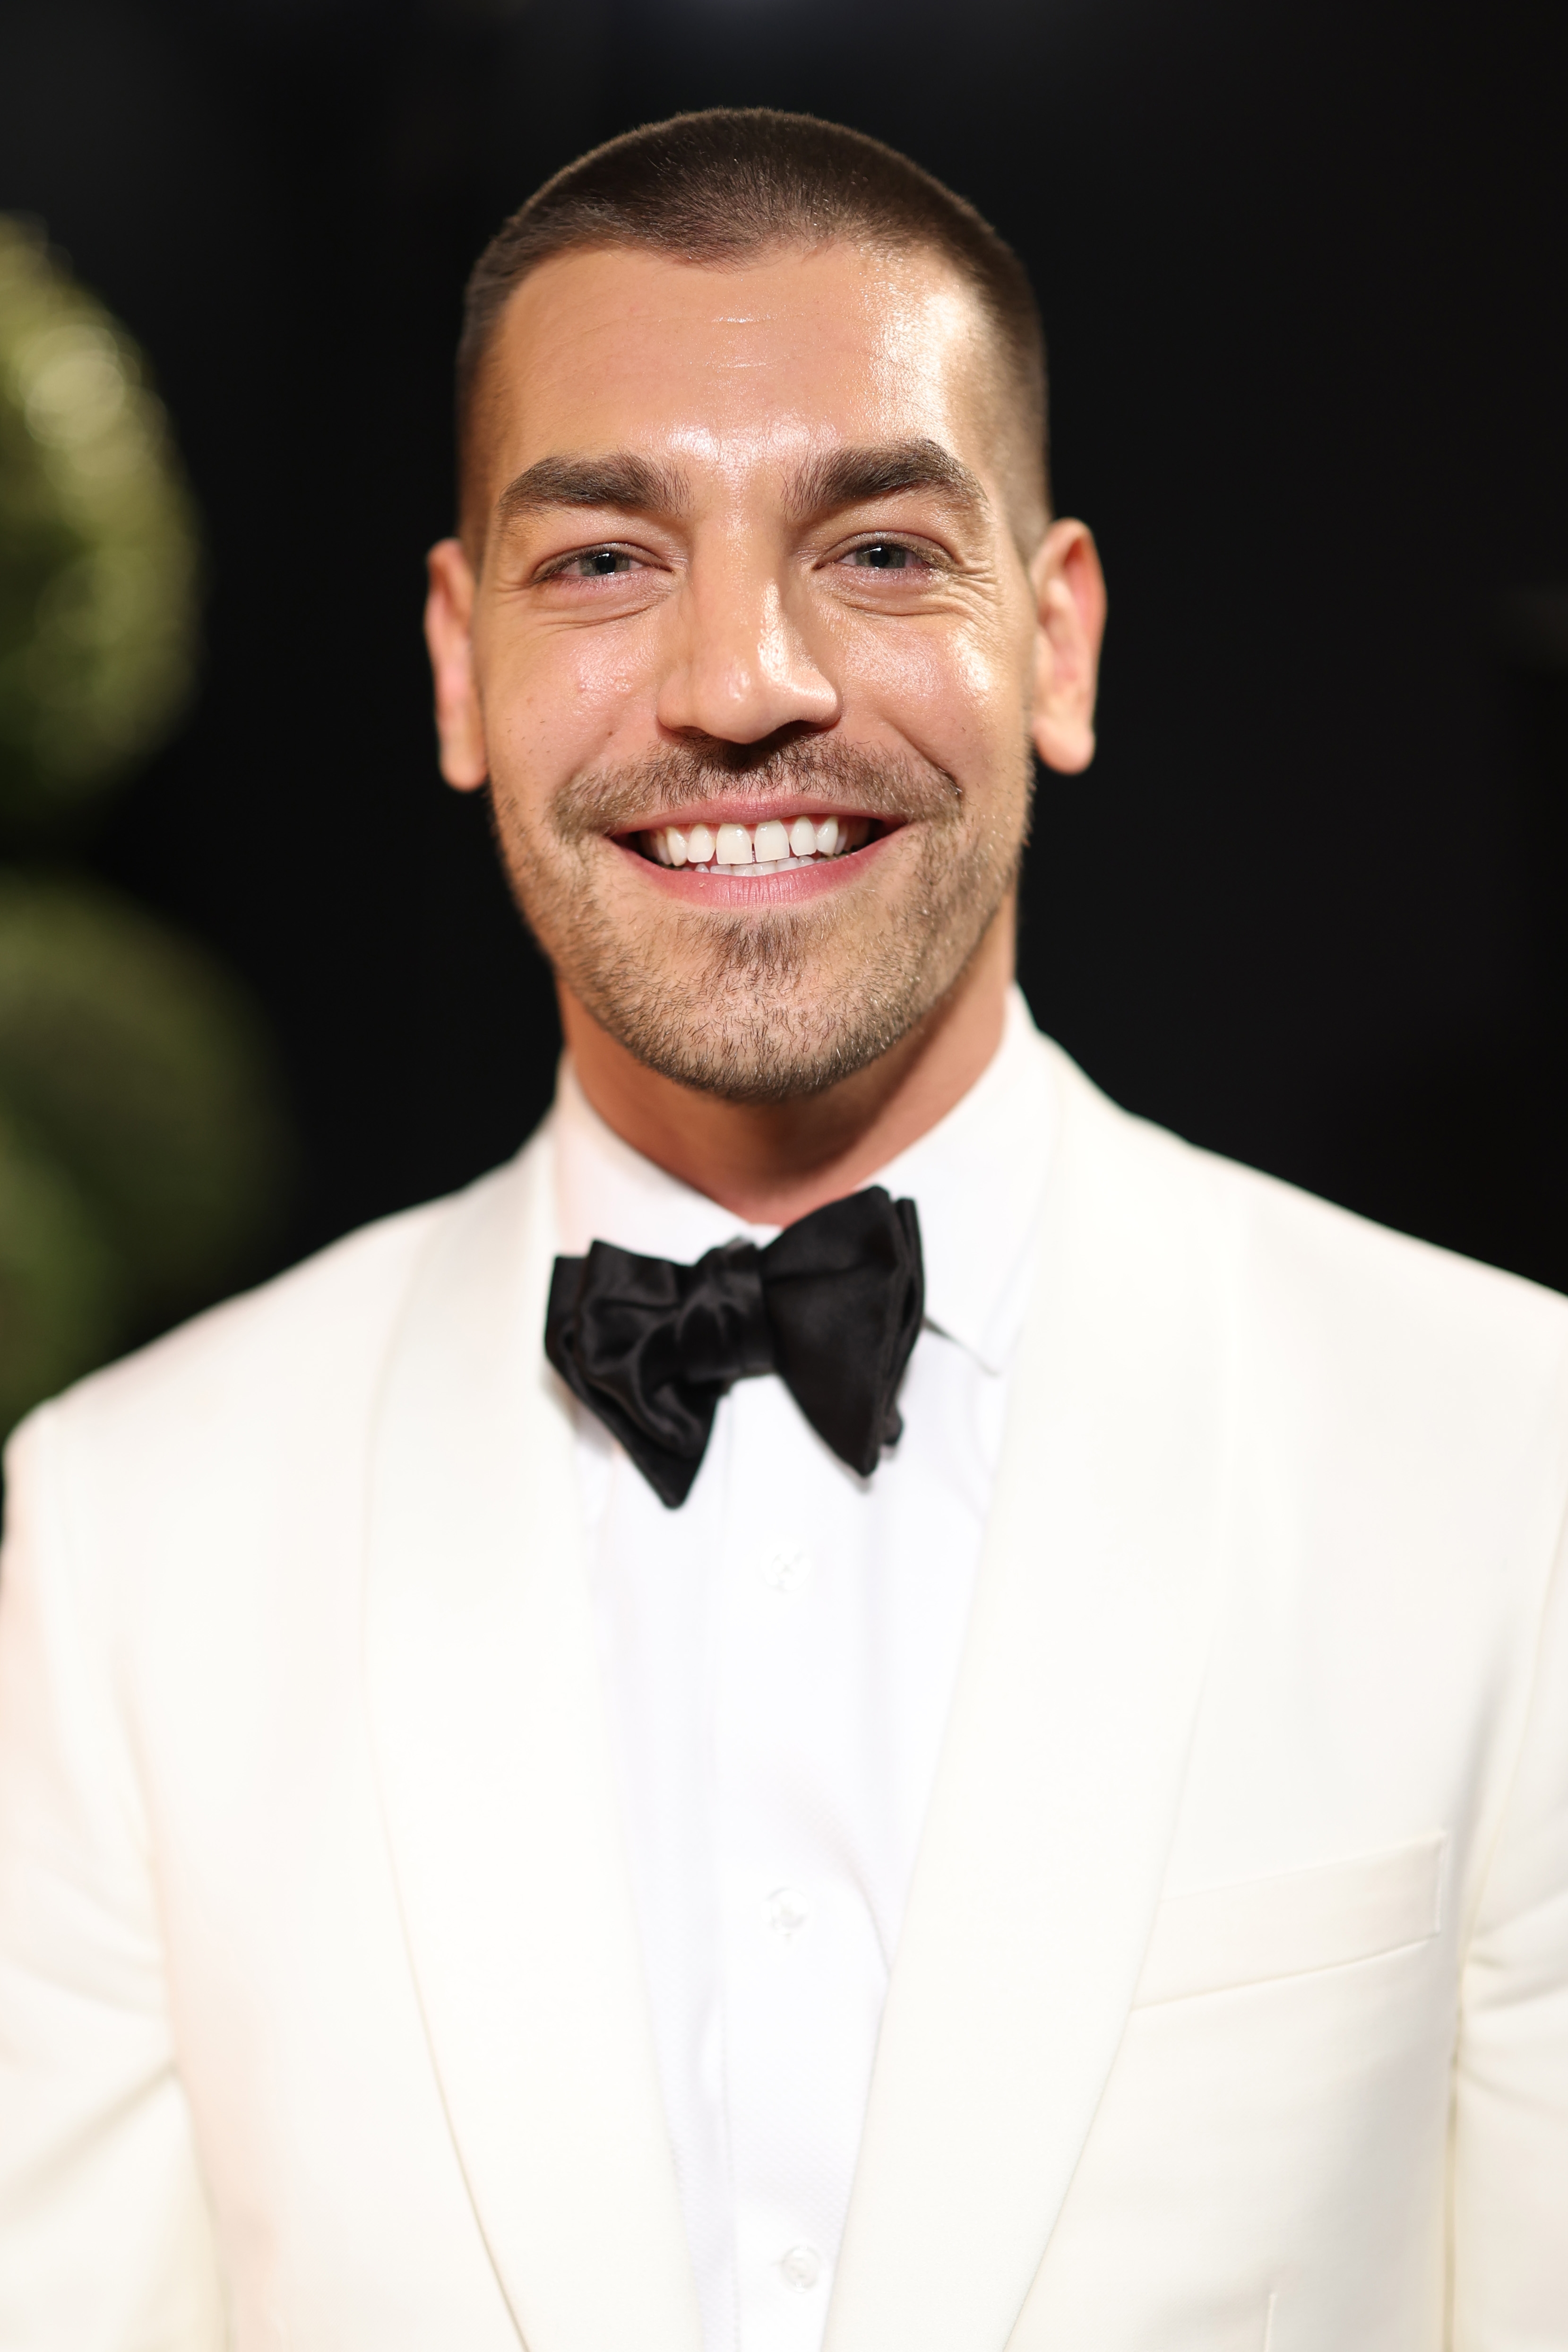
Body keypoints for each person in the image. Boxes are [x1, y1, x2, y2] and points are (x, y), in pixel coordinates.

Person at [1, 107, 1565, 2352]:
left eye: (879, 550)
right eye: (605, 562)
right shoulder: (129, 1535)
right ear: (460, 668)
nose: (742, 680)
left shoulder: (1511, 1461)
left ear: (1056, 643)